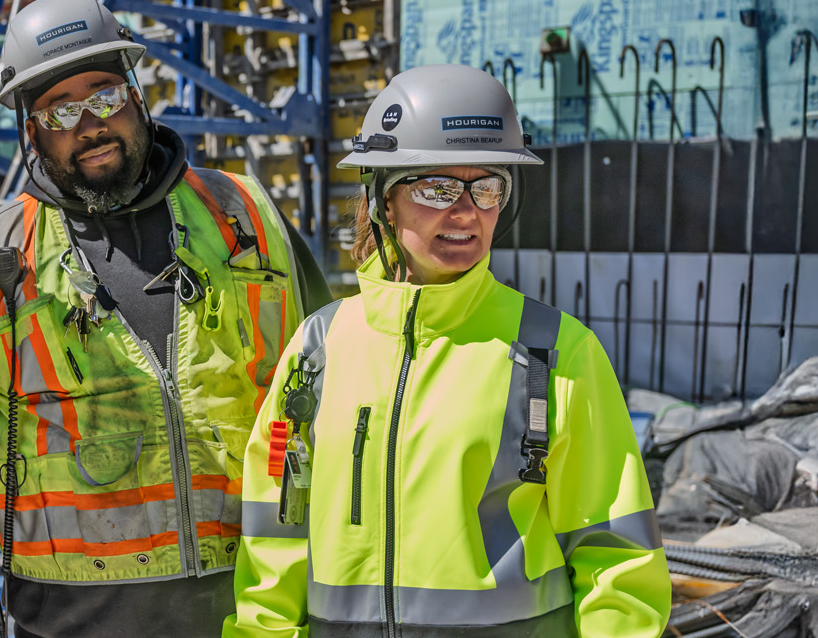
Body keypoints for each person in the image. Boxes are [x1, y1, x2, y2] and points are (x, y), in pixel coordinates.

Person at [0, 0, 333, 638]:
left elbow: (332, 384)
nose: (92, 125)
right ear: (30, 127)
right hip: (73, 619)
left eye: (105, 96)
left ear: (137, 95)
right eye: (62, 110)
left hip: (259, 608)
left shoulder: (249, 218)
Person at [226, 63, 670, 637]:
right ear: (385, 200)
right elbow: (274, 538)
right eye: (437, 188)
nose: (465, 212)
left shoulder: (556, 353)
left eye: (486, 188)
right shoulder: (318, 350)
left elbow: (618, 560)